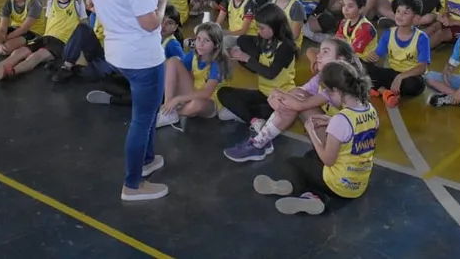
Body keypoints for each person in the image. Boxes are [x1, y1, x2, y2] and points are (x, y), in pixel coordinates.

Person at [86, 0, 170, 202]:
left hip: (117, 50)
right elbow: (150, 22)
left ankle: (147, 160)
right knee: (143, 119)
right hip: (142, 56)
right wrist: (162, 3)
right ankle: (132, 185)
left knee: (143, 114)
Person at [252, 60, 378, 215]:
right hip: (358, 184)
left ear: (337, 91)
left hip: (338, 185)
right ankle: (312, 193)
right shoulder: (370, 110)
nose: (328, 97)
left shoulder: (342, 120)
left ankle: (308, 194)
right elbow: (360, 132)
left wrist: (311, 131)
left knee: (292, 163)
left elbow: (328, 160)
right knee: (310, 156)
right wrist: (331, 121)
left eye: (329, 93)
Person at [224, 37, 363, 163]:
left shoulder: (340, 85)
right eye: (320, 51)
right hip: (335, 132)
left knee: (297, 103)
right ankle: (260, 142)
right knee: (296, 95)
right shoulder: (323, 77)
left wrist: (276, 94)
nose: (319, 56)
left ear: (341, 59)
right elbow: (298, 92)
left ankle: (259, 143)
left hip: (343, 147)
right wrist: (278, 98)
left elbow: (301, 104)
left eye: (325, 52)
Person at [156, 22, 232, 128]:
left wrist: (178, 99)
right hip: (194, 92)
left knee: (197, 104)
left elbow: (206, 93)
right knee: (173, 61)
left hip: (210, 102)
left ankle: (172, 112)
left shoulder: (218, 62)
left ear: (216, 45)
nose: (200, 44)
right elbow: (176, 71)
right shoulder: (194, 55)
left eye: (207, 40)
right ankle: (167, 108)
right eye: (198, 39)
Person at [365, 0, 431, 108]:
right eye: (398, 11)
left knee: (413, 86)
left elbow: (422, 67)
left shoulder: (421, 38)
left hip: (410, 77)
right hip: (392, 73)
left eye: (405, 13)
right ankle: (385, 92)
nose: (400, 15)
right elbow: (377, 54)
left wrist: (400, 77)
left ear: (415, 18)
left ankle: (376, 88)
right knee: (362, 68)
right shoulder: (389, 33)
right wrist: (371, 57)